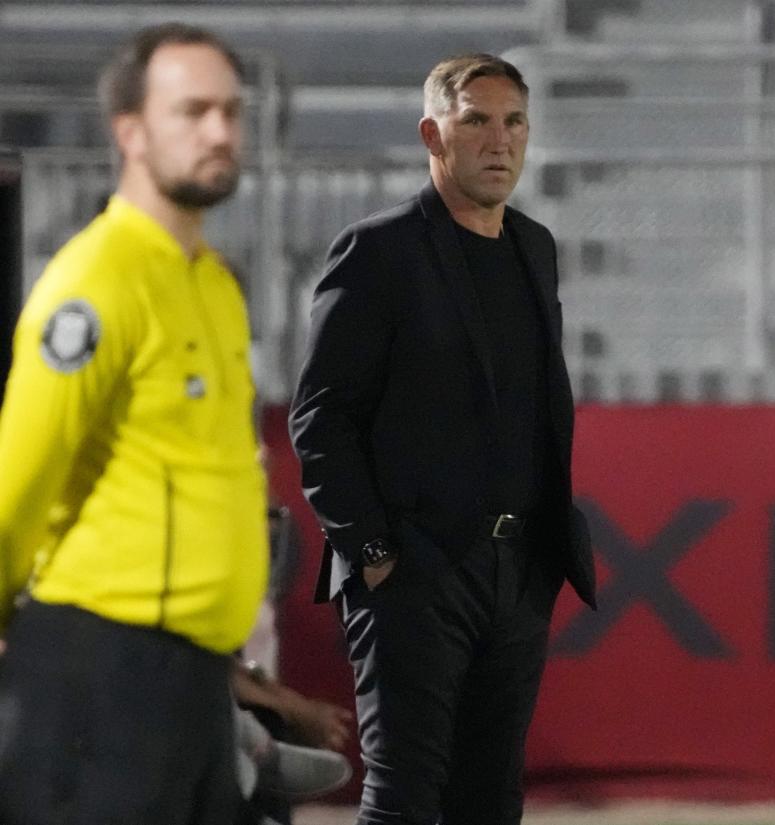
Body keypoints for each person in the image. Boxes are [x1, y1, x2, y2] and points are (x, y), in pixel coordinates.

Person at [289, 53, 597, 825]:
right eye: (477, 121)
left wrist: (536, 562)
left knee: (491, 802)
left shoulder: (535, 246)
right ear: (434, 134)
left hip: (518, 572)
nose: (501, 141)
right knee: (402, 800)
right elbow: (320, 417)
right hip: (414, 573)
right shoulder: (378, 251)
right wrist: (373, 552)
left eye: (515, 122)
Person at [0, 23, 268, 825]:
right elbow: (18, 470)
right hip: (99, 675)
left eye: (230, 110)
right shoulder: (94, 282)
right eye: (192, 111)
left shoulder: (214, 282)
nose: (220, 131)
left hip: (190, 681)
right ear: (129, 133)